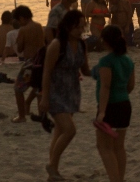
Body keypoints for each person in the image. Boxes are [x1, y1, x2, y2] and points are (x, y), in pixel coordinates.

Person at [40, 10, 90, 180]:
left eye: (83, 26)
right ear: (68, 27)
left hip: (73, 92)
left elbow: (86, 69)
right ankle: (51, 164)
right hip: (56, 93)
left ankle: (53, 172)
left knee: (59, 132)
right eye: (78, 27)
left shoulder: (82, 45)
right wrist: (44, 97)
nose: (81, 30)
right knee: (70, 130)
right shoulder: (57, 45)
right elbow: (46, 72)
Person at [93, 25, 134, 182]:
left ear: (105, 41)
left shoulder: (106, 61)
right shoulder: (128, 60)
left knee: (104, 147)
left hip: (110, 106)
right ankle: (119, 178)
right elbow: (131, 86)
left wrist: (102, 112)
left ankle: (115, 179)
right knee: (119, 147)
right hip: (125, 105)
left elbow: (105, 86)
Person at [11, 6, 45, 122]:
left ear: (21, 18)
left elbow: (20, 49)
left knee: (18, 88)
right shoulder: (39, 26)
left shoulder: (23, 30)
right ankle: (41, 114)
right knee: (38, 87)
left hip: (30, 63)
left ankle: (21, 116)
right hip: (41, 61)